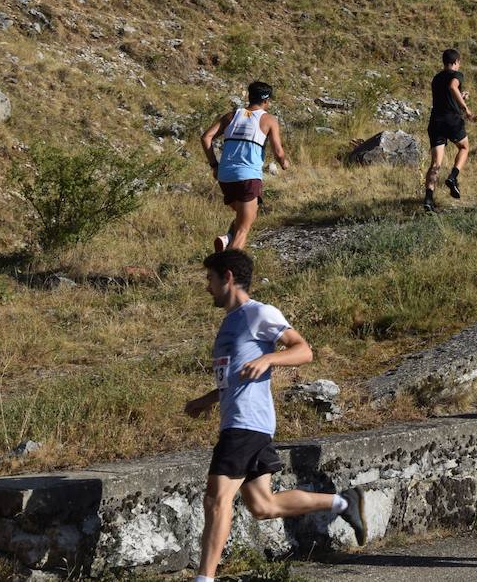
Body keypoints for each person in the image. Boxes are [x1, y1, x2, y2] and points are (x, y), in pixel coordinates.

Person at [185, 250, 366, 582]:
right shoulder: (229, 322)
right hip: (241, 421)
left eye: (209, 279)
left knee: (216, 499)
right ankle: (342, 502)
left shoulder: (258, 313)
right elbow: (236, 377)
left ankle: (204, 578)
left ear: (227, 278)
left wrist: (269, 360)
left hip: (245, 423)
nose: (207, 287)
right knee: (262, 506)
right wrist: (207, 400)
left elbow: (303, 350)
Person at [201, 81, 289, 251]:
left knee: (247, 215)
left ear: (249, 97)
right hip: (248, 176)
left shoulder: (231, 116)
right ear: (266, 101)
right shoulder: (269, 119)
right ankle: (229, 268)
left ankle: (227, 239)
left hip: (225, 176)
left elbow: (206, 137)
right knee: (244, 228)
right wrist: (284, 162)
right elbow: (278, 152)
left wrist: (214, 165)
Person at [424, 49, 477, 213]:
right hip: (451, 120)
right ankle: (453, 177)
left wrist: (462, 95)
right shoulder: (457, 75)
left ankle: (428, 199)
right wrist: (465, 108)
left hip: (435, 122)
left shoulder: (436, 78)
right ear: (456, 62)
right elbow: (452, 87)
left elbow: (447, 95)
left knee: (435, 163)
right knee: (464, 147)